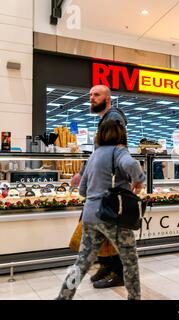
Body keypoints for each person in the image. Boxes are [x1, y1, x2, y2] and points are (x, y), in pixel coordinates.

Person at [56, 120, 145, 299]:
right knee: (129, 260)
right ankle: (134, 298)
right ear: (121, 134)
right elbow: (132, 165)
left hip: (90, 216)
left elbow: (82, 190)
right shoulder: (119, 151)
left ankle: (63, 297)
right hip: (113, 215)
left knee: (82, 262)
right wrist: (139, 180)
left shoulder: (94, 155)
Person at [70, 85, 128, 289]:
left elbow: (112, 153)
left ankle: (119, 272)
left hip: (108, 186)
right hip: (101, 185)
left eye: (96, 95)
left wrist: (85, 173)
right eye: (90, 95)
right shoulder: (106, 118)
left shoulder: (114, 118)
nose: (92, 98)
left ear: (108, 98)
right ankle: (106, 264)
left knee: (109, 229)